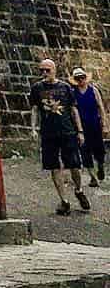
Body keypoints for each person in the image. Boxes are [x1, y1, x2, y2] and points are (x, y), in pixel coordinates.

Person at [30, 58, 89, 214]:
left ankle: (79, 190)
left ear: (54, 70)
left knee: (74, 165)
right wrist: (33, 128)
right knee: (54, 167)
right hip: (49, 133)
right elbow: (35, 109)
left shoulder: (65, 87)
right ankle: (64, 201)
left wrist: (80, 131)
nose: (44, 73)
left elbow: (73, 110)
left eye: (47, 70)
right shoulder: (37, 88)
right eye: (41, 70)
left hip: (67, 131)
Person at [71, 67, 107, 187]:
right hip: (81, 126)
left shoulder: (93, 90)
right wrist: (79, 129)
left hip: (95, 124)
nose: (81, 80)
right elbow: (73, 110)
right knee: (85, 152)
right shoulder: (73, 93)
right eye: (78, 78)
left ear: (85, 78)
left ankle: (100, 166)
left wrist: (105, 124)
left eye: (82, 77)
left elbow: (101, 107)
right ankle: (93, 177)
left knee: (99, 150)